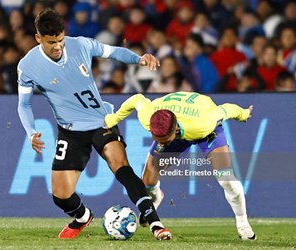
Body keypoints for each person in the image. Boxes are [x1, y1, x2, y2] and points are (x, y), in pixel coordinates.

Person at [17, 9, 171, 240]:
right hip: (70, 132)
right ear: (38, 38)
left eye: (60, 40)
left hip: (102, 121)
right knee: (60, 195)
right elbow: (24, 105)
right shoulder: (28, 66)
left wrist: (139, 59)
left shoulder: (80, 45)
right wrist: (30, 132)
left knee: (121, 167)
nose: (58, 46)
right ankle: (82, 217)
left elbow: (113, 52)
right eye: (51, 42)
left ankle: (155, 223)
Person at [104, 92, 257, 240]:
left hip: (203, 128)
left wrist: (243, 114)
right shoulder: (148, 117)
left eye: (163, 140)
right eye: (155, 137)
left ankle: (243, 223)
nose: (160, 143)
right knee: (147, 181)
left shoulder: (204, 123)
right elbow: (137, 99)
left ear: (175, 130)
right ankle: (157, 197)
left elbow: (227, 109)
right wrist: (114, 118)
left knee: (227, 179)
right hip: (178, 124)